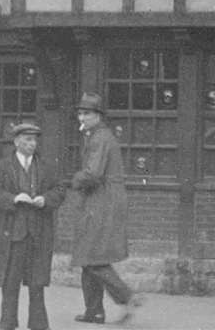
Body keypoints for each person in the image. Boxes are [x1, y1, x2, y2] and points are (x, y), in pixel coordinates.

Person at [0, 121, 65, 330]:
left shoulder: (46, 166)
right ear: (17, 141)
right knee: (10, 283)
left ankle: (38, 325)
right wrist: (13, 198)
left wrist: (45, 199)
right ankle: (7, 323)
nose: (32, 144)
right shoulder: (2, 166)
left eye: (35, 140)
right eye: (28, 140)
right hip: (12, 234)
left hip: (39, 233)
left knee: (37, 283)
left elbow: (59, 190)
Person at [70, 92, 140, 324]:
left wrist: (74, 180)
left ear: (98, 116)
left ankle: (126, 296)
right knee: (88, 256)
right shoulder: (98, 136)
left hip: (101, 201)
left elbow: (92, 174)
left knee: (92, 256)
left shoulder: (99, 138)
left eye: (87, 113)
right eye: (80, 113)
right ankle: (94, 311)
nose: (82, 117)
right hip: (102, 199)